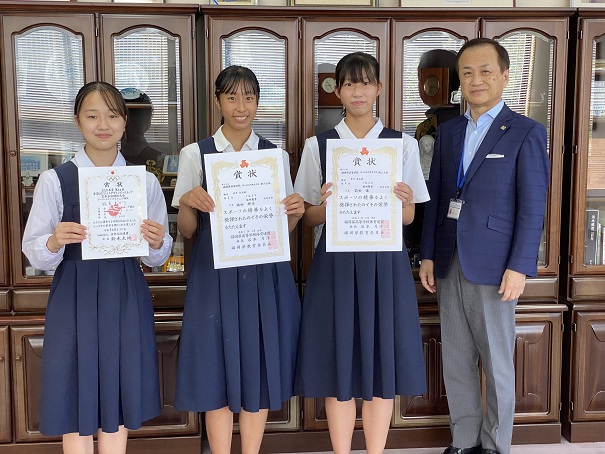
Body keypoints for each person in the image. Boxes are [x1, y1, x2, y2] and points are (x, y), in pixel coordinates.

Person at [22, 81, 173, 454]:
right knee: (75, 391)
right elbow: (34, 252)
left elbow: (156, 257)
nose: (103, 125)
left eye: (112, 116)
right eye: (92, 116)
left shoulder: (143, 182)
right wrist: (54, 241)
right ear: (78, 121)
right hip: (75, 293)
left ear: (124, 123)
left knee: (119, 390)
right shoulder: (55, 181)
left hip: (125, 292)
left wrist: (157, 242)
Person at [419, 38, 550, 454]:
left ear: (505, 76)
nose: (476, 80)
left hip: (495, 265)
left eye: (486, 71)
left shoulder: (526, 132)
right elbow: (437, 198)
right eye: (468, 73)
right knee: (456, 359)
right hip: (449, 259)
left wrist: (520, 265)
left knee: (496, 362)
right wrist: (427, 254)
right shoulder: (450, 131)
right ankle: (464, 441)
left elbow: (533, 206)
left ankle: (495, 445)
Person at [294, 52, 429, 454]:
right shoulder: (319, 145)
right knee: (339, 364)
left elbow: (408, 217)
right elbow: (307, 217)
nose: (358, 91)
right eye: (349, 83)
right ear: (337, 90)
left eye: (366, 83)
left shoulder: (402, 145)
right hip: (335, 264)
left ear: (379, 89)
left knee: (381, 363)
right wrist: (325, 204)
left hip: (385, 264)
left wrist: (403, 200)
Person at [172, 65, 304, 454]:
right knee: (215, 371)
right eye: (231, 97)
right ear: (218, 102)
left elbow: (282, 230)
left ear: (258, 102)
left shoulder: (274, 156)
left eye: (249, 97)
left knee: (257, 369)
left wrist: (295, 213)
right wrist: (188, 201)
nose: (240, 106)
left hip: (263, 275)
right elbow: (188, 230)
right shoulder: (195, 154)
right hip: (213, 276)